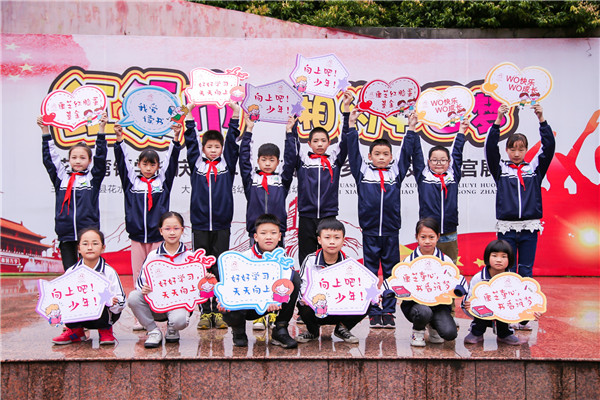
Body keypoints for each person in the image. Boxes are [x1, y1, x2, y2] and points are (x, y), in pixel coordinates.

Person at [485, 104, 555, 330]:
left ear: (525, 150)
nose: (516, 153)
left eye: (521, 149)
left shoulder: (534, 169)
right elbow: (490, 148)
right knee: (505, 271)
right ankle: (505, 315)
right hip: (506, 229)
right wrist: (498, 120)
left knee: (525, 271)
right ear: (507, 150)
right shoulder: (500, 169)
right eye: (512, 149)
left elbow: (549, 147)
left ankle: (523, 313)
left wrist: (541, 119)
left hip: (529, 228)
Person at [345, 104, 415, 328]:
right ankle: (374, 310)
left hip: (391, 231)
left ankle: (389, 310)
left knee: (392, 272)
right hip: (370, 231)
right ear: (370, 156)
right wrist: (352, 125)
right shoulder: (362, 171)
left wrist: (411, 129)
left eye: (386, 154)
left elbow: (406, 153)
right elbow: (352, 151)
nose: (382, 157)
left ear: (391, 156)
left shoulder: (396, 172)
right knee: (371, 272)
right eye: (377, 154)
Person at [114, 123, 182, 331]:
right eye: (145, 164)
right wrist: (119, 139)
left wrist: (176, 138)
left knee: (159, 276)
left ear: (157, 166)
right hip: (137, 238)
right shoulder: (132, 183)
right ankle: (140, 317)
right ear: (139, 165)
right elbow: (122, 162)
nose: (149, 168)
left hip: (157, 239)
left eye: (152, 164)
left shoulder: (163, 182)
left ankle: (164, 310)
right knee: (138, 277)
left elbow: (172, 161)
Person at [184, 102, 241, 330]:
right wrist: (189, 115)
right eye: (209, 146)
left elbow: (233, 144)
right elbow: (190, 142)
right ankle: (204, 312)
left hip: (221, 225)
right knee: (201, 268)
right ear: (204, 148)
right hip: (199, 225)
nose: (214, 150)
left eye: (217, 146)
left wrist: (235, 115)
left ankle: (218, 310)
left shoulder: (227, 164)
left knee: (219, 268)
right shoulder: (197, 164)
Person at [286, 91, 349, 266]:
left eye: (323, 140)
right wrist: (292, 125)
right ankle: (306, 281)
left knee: (330, 255)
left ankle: (329, 280)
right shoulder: (303, 161)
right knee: (307, 256)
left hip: (329, 216)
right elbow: (293, 144)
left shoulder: (334, 160)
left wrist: (346, 111)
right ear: (309, 143)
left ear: (329, 143)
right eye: (315, 141)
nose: (319, 144)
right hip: (306, 215)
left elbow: (345, 141)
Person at [219, 214, 300, 349]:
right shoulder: (243, 259)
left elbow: (285, 286)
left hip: (272, 306)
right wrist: (223, 299)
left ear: (279, 236)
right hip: (247, 307)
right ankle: (238, 331)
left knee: (294, 279)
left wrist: (275, 300)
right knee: (228, 305)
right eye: (263, 233)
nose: (268, 237)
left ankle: (280, 328)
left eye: (273, 233)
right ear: (255, 237)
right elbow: (230, 285)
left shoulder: (283, 258)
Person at [39, 113, 108, 270]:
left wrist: (101, 129)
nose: (78, 161)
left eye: (82, 158)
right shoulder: (61, 178)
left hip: (88, 235)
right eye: (74, 157)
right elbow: (50, 159)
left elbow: (100, 157)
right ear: (69, 159)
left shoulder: (93, 178)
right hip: (66, 234)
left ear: (89, 161)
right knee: (70, 273)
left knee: (90, 273)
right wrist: (45, 130)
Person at [128, 212, 195, 348]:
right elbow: (141, 281)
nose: (172, 232)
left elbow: (197, 284)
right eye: (167, 229)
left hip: (177, 304)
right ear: (161, 231)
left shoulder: (189, 256)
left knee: (180, 320)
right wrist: (144, 288)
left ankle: (172, 328)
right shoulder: (153, 256)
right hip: (155, 304)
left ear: (182, 230)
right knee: (134, 297)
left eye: (176, 228)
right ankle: (153, 331)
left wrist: (206, 282)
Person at [396, 218, 467, 346]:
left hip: (439, 305)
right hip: (415, 306)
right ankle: (417, 331)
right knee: (424, 312)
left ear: (438, 237)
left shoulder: (445, 260)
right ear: (416, 237)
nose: (427, 241)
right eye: (423, 237)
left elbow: (458, 279)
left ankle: (434, 326)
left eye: (431, 237)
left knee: (450, 333)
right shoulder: (409, 261)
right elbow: (396, 280)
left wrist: (459, 289)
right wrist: (391, 290)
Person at [296, 218, 366, 344]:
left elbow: (357, 286)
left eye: (337, 238)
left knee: (369, 299)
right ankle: (312, 331)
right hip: (316, 308)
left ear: (343, 240)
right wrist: (305, 297)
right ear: (319, 240)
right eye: (327, 237)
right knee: (302, 303)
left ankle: (342, 328)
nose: (332, 242)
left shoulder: (349, 263)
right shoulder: (310, 260)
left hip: (340, 307)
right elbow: (303, 283)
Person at [410, 113, 468, 263]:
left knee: (450, 267)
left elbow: (457, 152)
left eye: (443, 160)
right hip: (428, 234)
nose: (439, 163)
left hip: (449, 231)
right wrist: (413, 128)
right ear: (428, 162)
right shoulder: (423, 176)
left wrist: (461, 131)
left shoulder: (453, 176)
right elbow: (416, 154)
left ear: (449, 162)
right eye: (435, 160)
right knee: (426, 266)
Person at [51, 228, 125, 345]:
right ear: (79, 248)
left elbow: (121, 300)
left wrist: (113, 303)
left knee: (103, 297)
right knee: (65, 299)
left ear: (103, 248)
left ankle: (105, 330)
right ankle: (76, 331)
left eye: (95, 244)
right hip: (79, 314)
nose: (90, 247)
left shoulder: (109, 272)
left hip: (103, 316)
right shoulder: (71, 272)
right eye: (85, 244)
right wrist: (49, 296)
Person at [463, 239, 534, 345]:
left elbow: (519, 300)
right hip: (481, 311)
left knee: (507, 305)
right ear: (487, 257)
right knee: (480, 305)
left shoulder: (513, 279)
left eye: (504, 256)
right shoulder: (479, 277)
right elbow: (470, 299)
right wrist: (470, 304)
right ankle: (476, 332)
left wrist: (531, 310)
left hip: (502, 309)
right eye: (494, 256)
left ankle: (504, 334)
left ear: (510, 259)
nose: (499, 260)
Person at [239, 114, 296, 244]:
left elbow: (290, 159)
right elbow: (244, 159)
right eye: (264, 160)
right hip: (256, 232)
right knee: (255, 257)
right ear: (258, 161)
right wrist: (248, 130)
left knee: (277, 258)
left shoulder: (281, 180)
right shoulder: (251, 179)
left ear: (278, 162)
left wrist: (289, 132)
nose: (268, 164)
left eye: (272, 160)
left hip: (277, 231)